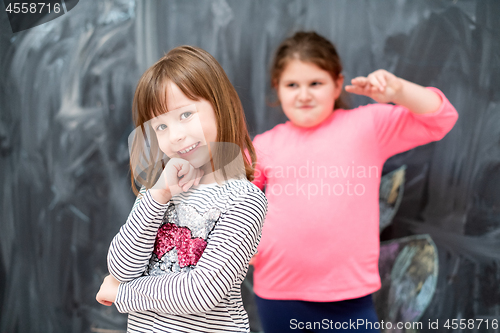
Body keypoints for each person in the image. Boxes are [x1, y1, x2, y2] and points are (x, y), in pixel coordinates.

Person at [250, 31, 458, 332]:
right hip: (279, 292)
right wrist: (243, 246)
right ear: (277, 88)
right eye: (292, 85)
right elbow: (230, 197)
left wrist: (398, 91)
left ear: (337, 84)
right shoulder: (264, 145)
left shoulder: (367, 126)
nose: (304, 94)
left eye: (315, 83)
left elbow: (441, 118)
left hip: (348, 295)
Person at [96, 45, 268, 333]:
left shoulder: (243, 200)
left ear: (220, 105)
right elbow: (121, 268)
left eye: (185, 115)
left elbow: (203, 291)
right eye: (160, 127)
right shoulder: (160, 189)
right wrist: (158, 197)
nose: (175, 135)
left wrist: (122, 293)